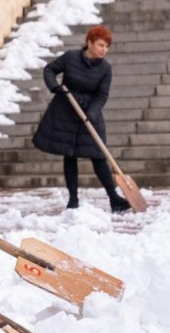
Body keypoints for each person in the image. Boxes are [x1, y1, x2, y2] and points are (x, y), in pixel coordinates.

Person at [32, 25, 130, 213]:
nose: (104, 50)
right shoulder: (71, 58)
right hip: (66, 113)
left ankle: (114, 198)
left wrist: (91, 115)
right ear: (90, 43)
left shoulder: (105, 69)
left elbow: (101, 95)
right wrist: (55, 88)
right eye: (101, 45)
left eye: (107, 46)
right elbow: (49, 70)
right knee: (70, 155)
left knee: (99, 156)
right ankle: (73, 199)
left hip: (89, 115)